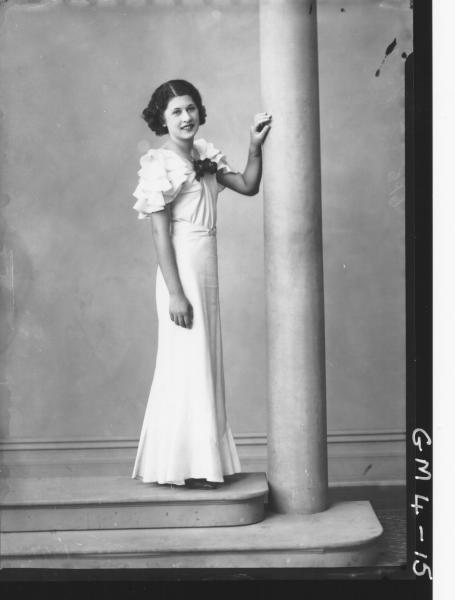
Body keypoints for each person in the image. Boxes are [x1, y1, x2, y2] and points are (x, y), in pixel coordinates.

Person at [131, 79, 271, 490]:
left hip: (205, 266)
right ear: (162, 118)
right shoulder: (159, 163)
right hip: (181, 271)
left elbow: (248, 185)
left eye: (190, 108)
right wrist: (175, 292)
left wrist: (254, 146)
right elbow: (160, 235)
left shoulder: (205, 154)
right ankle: (186, 465)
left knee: (204, 360)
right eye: (175, 111)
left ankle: (203, 463)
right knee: (186, 361)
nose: (186, 117)